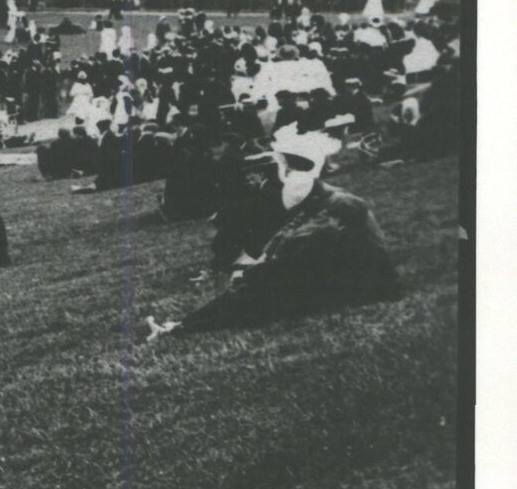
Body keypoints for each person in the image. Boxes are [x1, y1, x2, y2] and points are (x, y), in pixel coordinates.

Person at [147, 132, 400, 340]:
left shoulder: (340, 206)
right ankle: (183, 325)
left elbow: (300, 252)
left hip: (367, 283)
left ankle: (183, 327)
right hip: (354, 277)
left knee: (263, 294)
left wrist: (255, 272)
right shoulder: (327, 200)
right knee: (260, 289)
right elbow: (291, 240)